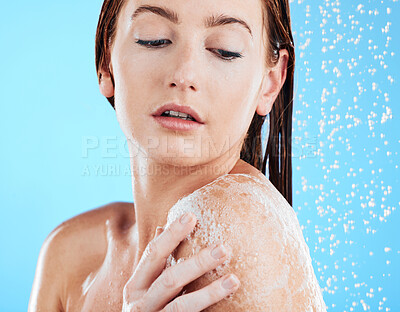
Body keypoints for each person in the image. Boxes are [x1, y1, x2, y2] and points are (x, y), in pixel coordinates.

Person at [29, 0, 327, 311]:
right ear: (106, 63)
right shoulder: (68, 254)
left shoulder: (238, 228)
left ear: (270, 83)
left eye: (225, 50)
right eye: (153, 39)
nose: (184, 75)